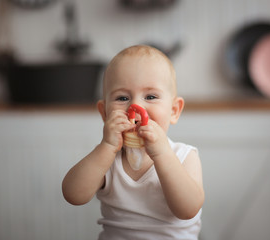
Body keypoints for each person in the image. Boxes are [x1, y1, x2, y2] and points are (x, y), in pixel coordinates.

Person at [62, 45, 204, 239]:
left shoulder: (184, 156)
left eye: (151, 96)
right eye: (122, 98)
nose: (135, 108)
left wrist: (162, 154)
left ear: (174, 110)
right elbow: (73, 195)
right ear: (104, 113)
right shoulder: (106, 158)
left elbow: (188, 209)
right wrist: (108, 146)